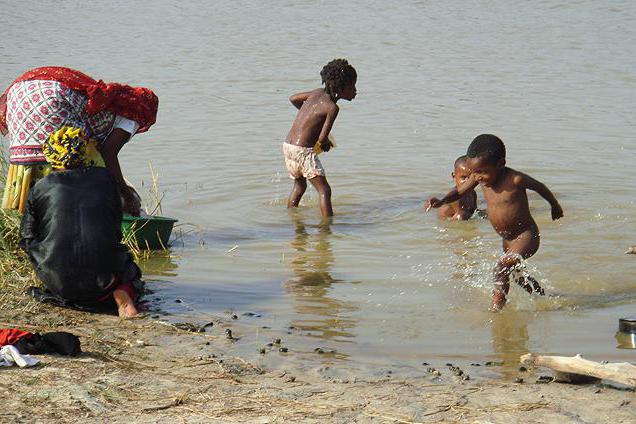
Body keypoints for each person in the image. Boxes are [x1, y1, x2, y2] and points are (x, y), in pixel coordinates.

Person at [425, 134, 564, 311]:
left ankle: (496, 309)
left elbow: (540, 187)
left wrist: (555, 205)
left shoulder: (515, 179)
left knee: (500, 267)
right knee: (516, 275)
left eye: (482, 172)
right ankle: (545, 298)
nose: (478, 177)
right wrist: (443, 200)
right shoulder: (478, 177)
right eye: (474, 172)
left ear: (500, 164)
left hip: (525, 235)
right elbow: (459, 191)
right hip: (507, 239)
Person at [19, 127, 143, 317]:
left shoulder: (41, 187)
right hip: (105, 279)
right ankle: (122, 293)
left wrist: (45, 259)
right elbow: (114, 227)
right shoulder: (105, 178)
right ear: (82, 152)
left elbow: (26, 238)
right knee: (129, 272)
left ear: (51, 156)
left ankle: (70, 282)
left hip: (60, 283)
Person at [0, 66, 158, 215]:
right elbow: (108, 153)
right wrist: (127, 195)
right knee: (79, 159)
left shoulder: (113, 102)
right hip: (53, 96)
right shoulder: (135, 115)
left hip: (21, 94)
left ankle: (24, 216)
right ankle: (80, 215)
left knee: (44, 157)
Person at [284, 58, 357, 218]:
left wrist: (308, 115)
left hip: (288, 147)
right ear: (341, 88)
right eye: (352, 86)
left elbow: (293, 98)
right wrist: (325, 144)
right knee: (324, 190)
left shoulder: (316, 93)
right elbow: (323, 139)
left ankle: (290, 217)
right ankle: (327, 229)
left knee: (299, 186)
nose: (355, 91)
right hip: (302, 151)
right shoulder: (332, 108)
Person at [434, 155, 477, 220]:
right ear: (454, 176)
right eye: (463, 177)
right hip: (447, 223)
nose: (467, 181)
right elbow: (460, 216)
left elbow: (475, 211)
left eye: (471, 178)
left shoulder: (473, 193)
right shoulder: (456, 195)